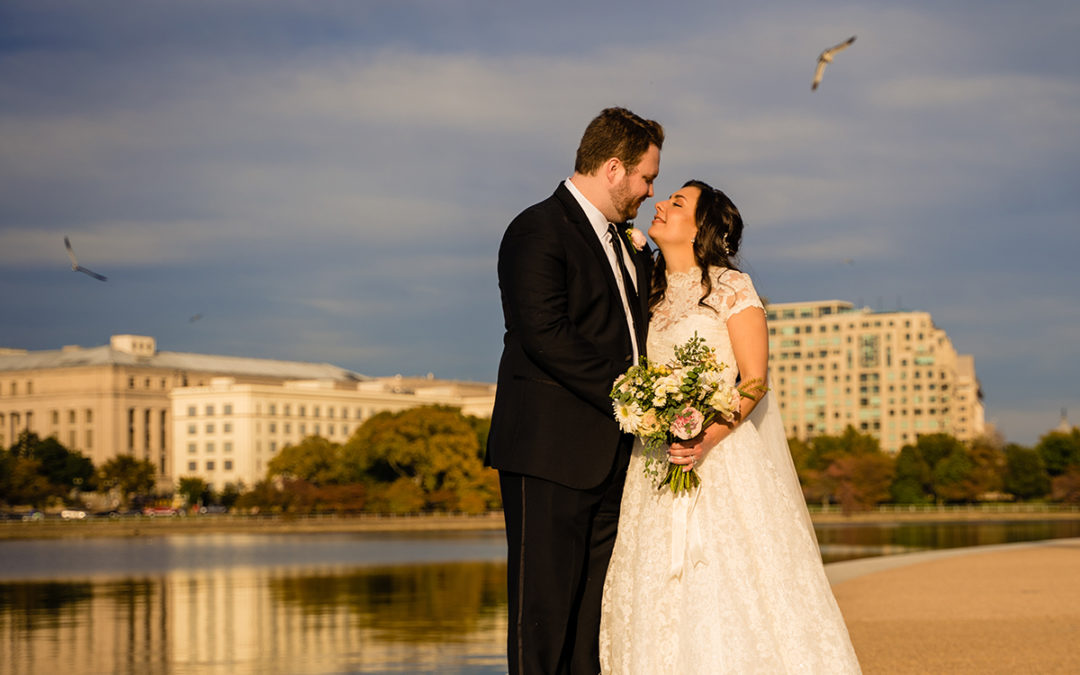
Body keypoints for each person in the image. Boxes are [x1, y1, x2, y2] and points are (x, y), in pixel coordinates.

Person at [598, 180, 861, 673]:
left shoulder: (731, 288)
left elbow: (754, 380)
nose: (660, 204)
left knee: (727, 581)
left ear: (701, 227)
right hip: (656, 465)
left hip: (722, 459)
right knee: (656, 589)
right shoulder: (644, 292)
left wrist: (705, 437)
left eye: (677, 202)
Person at [486, 107, 664, 675]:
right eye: (645, 177)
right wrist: (633, 395)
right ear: (614, 168)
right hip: (549, 453)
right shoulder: (537, 228)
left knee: (592, 620)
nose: (648, 191)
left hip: (613, 457)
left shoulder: (627, 245)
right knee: (542, 615)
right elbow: (543, 333)